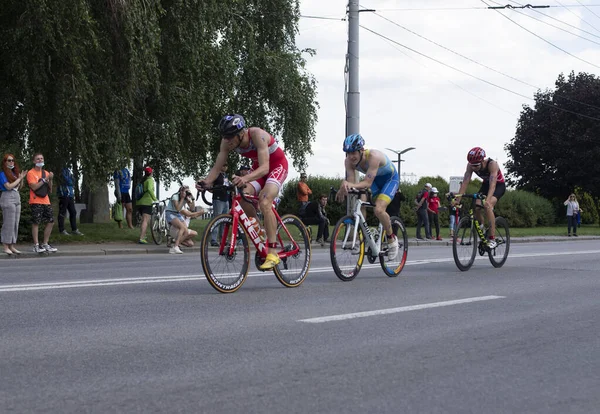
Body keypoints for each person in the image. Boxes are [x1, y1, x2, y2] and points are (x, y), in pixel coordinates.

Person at [196, 114, 289, 270]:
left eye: (230, 137)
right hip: (259, 169)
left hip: (276, 166)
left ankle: (272, 252)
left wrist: (245, 178)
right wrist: (206, 182)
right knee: (240, 197)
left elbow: (266, 168)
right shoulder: (226, 142)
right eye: (225, 137)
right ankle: (259, 231)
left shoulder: (257, 135)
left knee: (265, 201)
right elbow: (217, 167)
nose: (227, 141)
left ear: (241, 134)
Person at [335, 134, 400, 259]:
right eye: (348, 153)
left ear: (361, 150)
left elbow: (367, 183)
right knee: (360, 203)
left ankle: (392, 240)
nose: (351, 156)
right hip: (374, 181)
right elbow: (352, 182)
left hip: (390, 180)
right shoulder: (348, 161)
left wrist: (349, 184)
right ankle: (363, 238)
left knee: (379, 209)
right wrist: (344, 187)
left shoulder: (373, 157)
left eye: (353, 152)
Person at [455, 147, 506, 249]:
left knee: (488, 205)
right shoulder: (470, 165)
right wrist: (457, 199)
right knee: (477, 206)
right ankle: (482, 226)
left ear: (483, 160)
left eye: (476, 165)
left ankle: (492, 238)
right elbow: (465, 182)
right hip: (485, 185)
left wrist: (488, 200)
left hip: (498, 185)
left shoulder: (492, 165)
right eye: (472, 165)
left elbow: (493, 185)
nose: (474, 168)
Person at [26, 153, 58, 253]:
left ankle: (45, 243)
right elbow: (34, 187)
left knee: (51, 221)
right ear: (34, 161)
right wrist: (45, 179)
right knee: (36, 222)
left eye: (41, 158)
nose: (40, 160)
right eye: (38, 159)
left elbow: (50, 189)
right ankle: (36, 245)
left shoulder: (46, 173)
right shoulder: (31, 173)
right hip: (35, 200)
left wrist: (50, 179)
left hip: (46, 200)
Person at [0, 154, 26, 255]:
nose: (11, 162)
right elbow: (9, 187)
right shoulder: (2, 174)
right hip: (7, 197)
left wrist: (21, 178)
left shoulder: (14, 174)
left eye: (13, 161)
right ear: (5, 162)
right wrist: (19, 179)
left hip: (16, 197)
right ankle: (5, 246)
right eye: (9, 160)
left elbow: (20, 187)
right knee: (8, 223)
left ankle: (12, 245)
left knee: (15, 223)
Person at [165, 185, 196, 254]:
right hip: (170, 213)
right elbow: (178, 208)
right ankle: (176, 247)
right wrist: (182, 198)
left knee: (186, 230)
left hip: (177, 214)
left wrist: (192, 199)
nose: (186, 193)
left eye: (188, 191)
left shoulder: (186, 198)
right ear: (181, 191)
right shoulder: (175, 196)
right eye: (185, 191)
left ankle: (175, 244)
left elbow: (192, 208)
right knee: (182, 227)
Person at [57, 165, 84, 236]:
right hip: (64, 194)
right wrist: (70, 180)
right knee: (62, 212)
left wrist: (71, 180)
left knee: (73, 212)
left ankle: (74, 229)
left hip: (70, 195)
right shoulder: (60, 170)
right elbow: (67, 181)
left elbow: (73, 180)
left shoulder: (68, 170)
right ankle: (61, 229)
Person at [210, 165, 231, 246]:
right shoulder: (216, 174)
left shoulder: (225, 175)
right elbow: (210, 186)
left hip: (226, 199)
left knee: (224, 220)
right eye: (224, 165)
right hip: (218, 199)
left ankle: (223, 239)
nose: (225, 167)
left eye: (226, 165)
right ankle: (213, 239)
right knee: (217, 219)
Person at [136, 166, 158, 244]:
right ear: (151, 173)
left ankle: (143, 236)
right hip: (147, 202)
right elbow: (149, 189)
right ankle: (141, 238)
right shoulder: (150, 180)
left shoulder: (142, 180)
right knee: (145, 220)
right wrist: (155, 199)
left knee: (143, 220)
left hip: (139, 202)